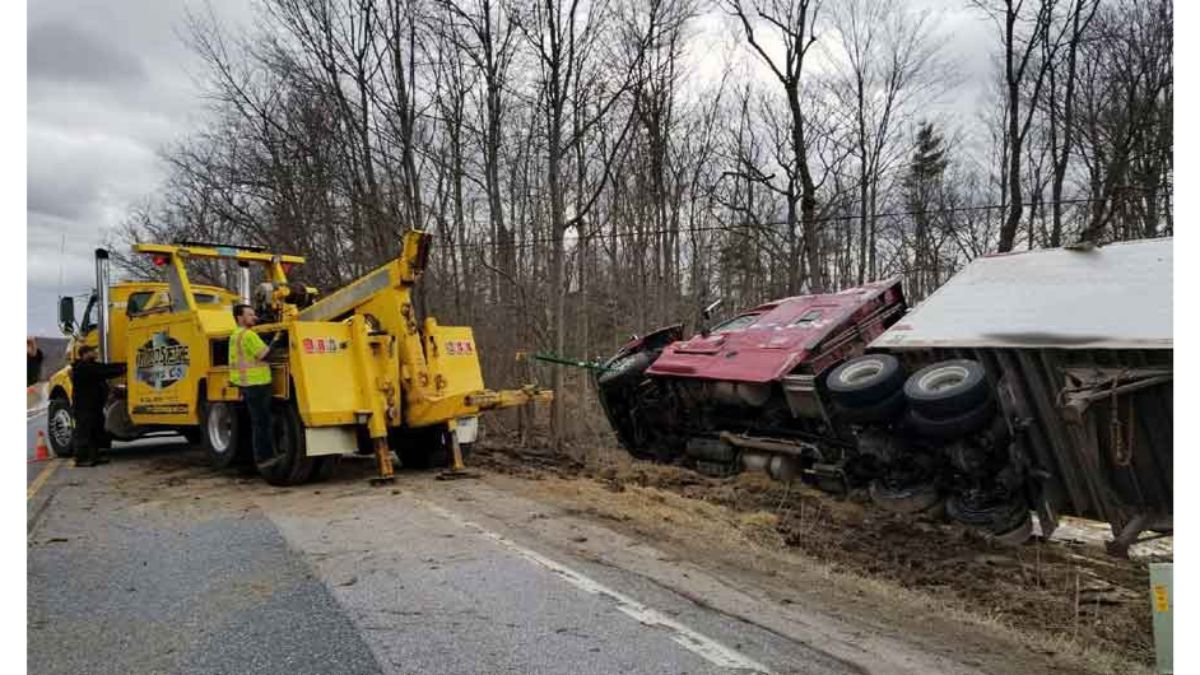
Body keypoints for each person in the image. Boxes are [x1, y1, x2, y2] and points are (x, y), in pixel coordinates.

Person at [230, 304, 282, 470]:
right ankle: (265, 458)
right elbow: (265, 355)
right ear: (240, 318)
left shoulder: (236, 335)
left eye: (254, 314)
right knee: (262, 423)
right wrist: (276, 340)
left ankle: (257, 458)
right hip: (257, 385)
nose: (254, 317)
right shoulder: (248, 335)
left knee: (257, 422)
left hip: (248, 385)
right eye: (250, 315)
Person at [70, 345, 126, 467]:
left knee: (96, 430)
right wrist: (124, 369)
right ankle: (81, 458)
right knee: (85, 431)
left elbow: (106, 368)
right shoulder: (83, 368)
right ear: (85, 354)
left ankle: (95, 455)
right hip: (84, 407)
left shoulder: (91, 366)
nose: (95, 353)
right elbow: (105, 372)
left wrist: (124, 365)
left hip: (93, 406)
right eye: (92, 351)